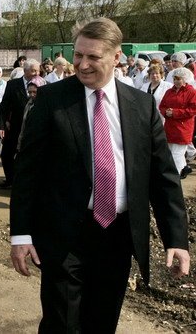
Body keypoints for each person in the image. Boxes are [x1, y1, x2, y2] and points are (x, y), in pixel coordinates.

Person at [10, 18, 190, 333]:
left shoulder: (141, 105)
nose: (82, 64)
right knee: (62, 325)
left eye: (93, 57)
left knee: (102, 323)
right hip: (65, 234)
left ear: (116, 57)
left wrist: (175, 238)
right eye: (78, 55)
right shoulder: (52, 100)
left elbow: (162, 176)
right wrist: (21, 234)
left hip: (118, 236)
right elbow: (28, 171)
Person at [0, 58, 40, 189]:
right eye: (33, 71)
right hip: (15, 126)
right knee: (7, 154)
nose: (36, 73)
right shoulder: (13, 85)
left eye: (38, 71)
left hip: (34, 128)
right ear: (25, 70)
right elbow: (4, 106)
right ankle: (10, 179)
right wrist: (2, 125)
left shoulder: (42, 83)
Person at [159, 67, 196, 179]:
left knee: (177, 154)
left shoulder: (191, 92)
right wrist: (166, 112)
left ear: (185, 79)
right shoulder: (169, 91)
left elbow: (193, 109)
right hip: (170, 126)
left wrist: (175, 113)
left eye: (178, 79)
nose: (176, 81)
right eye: (174, 79)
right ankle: (184, 169)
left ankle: (176, 176)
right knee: (171, 152)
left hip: (183, 127)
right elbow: (162, 105)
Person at [16, 76, 47, 152]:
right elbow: (24, 125)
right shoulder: (29, 104)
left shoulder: (47, 106)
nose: (32, 95)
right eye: (29, 92)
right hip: (29, 141)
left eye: (34, 92)